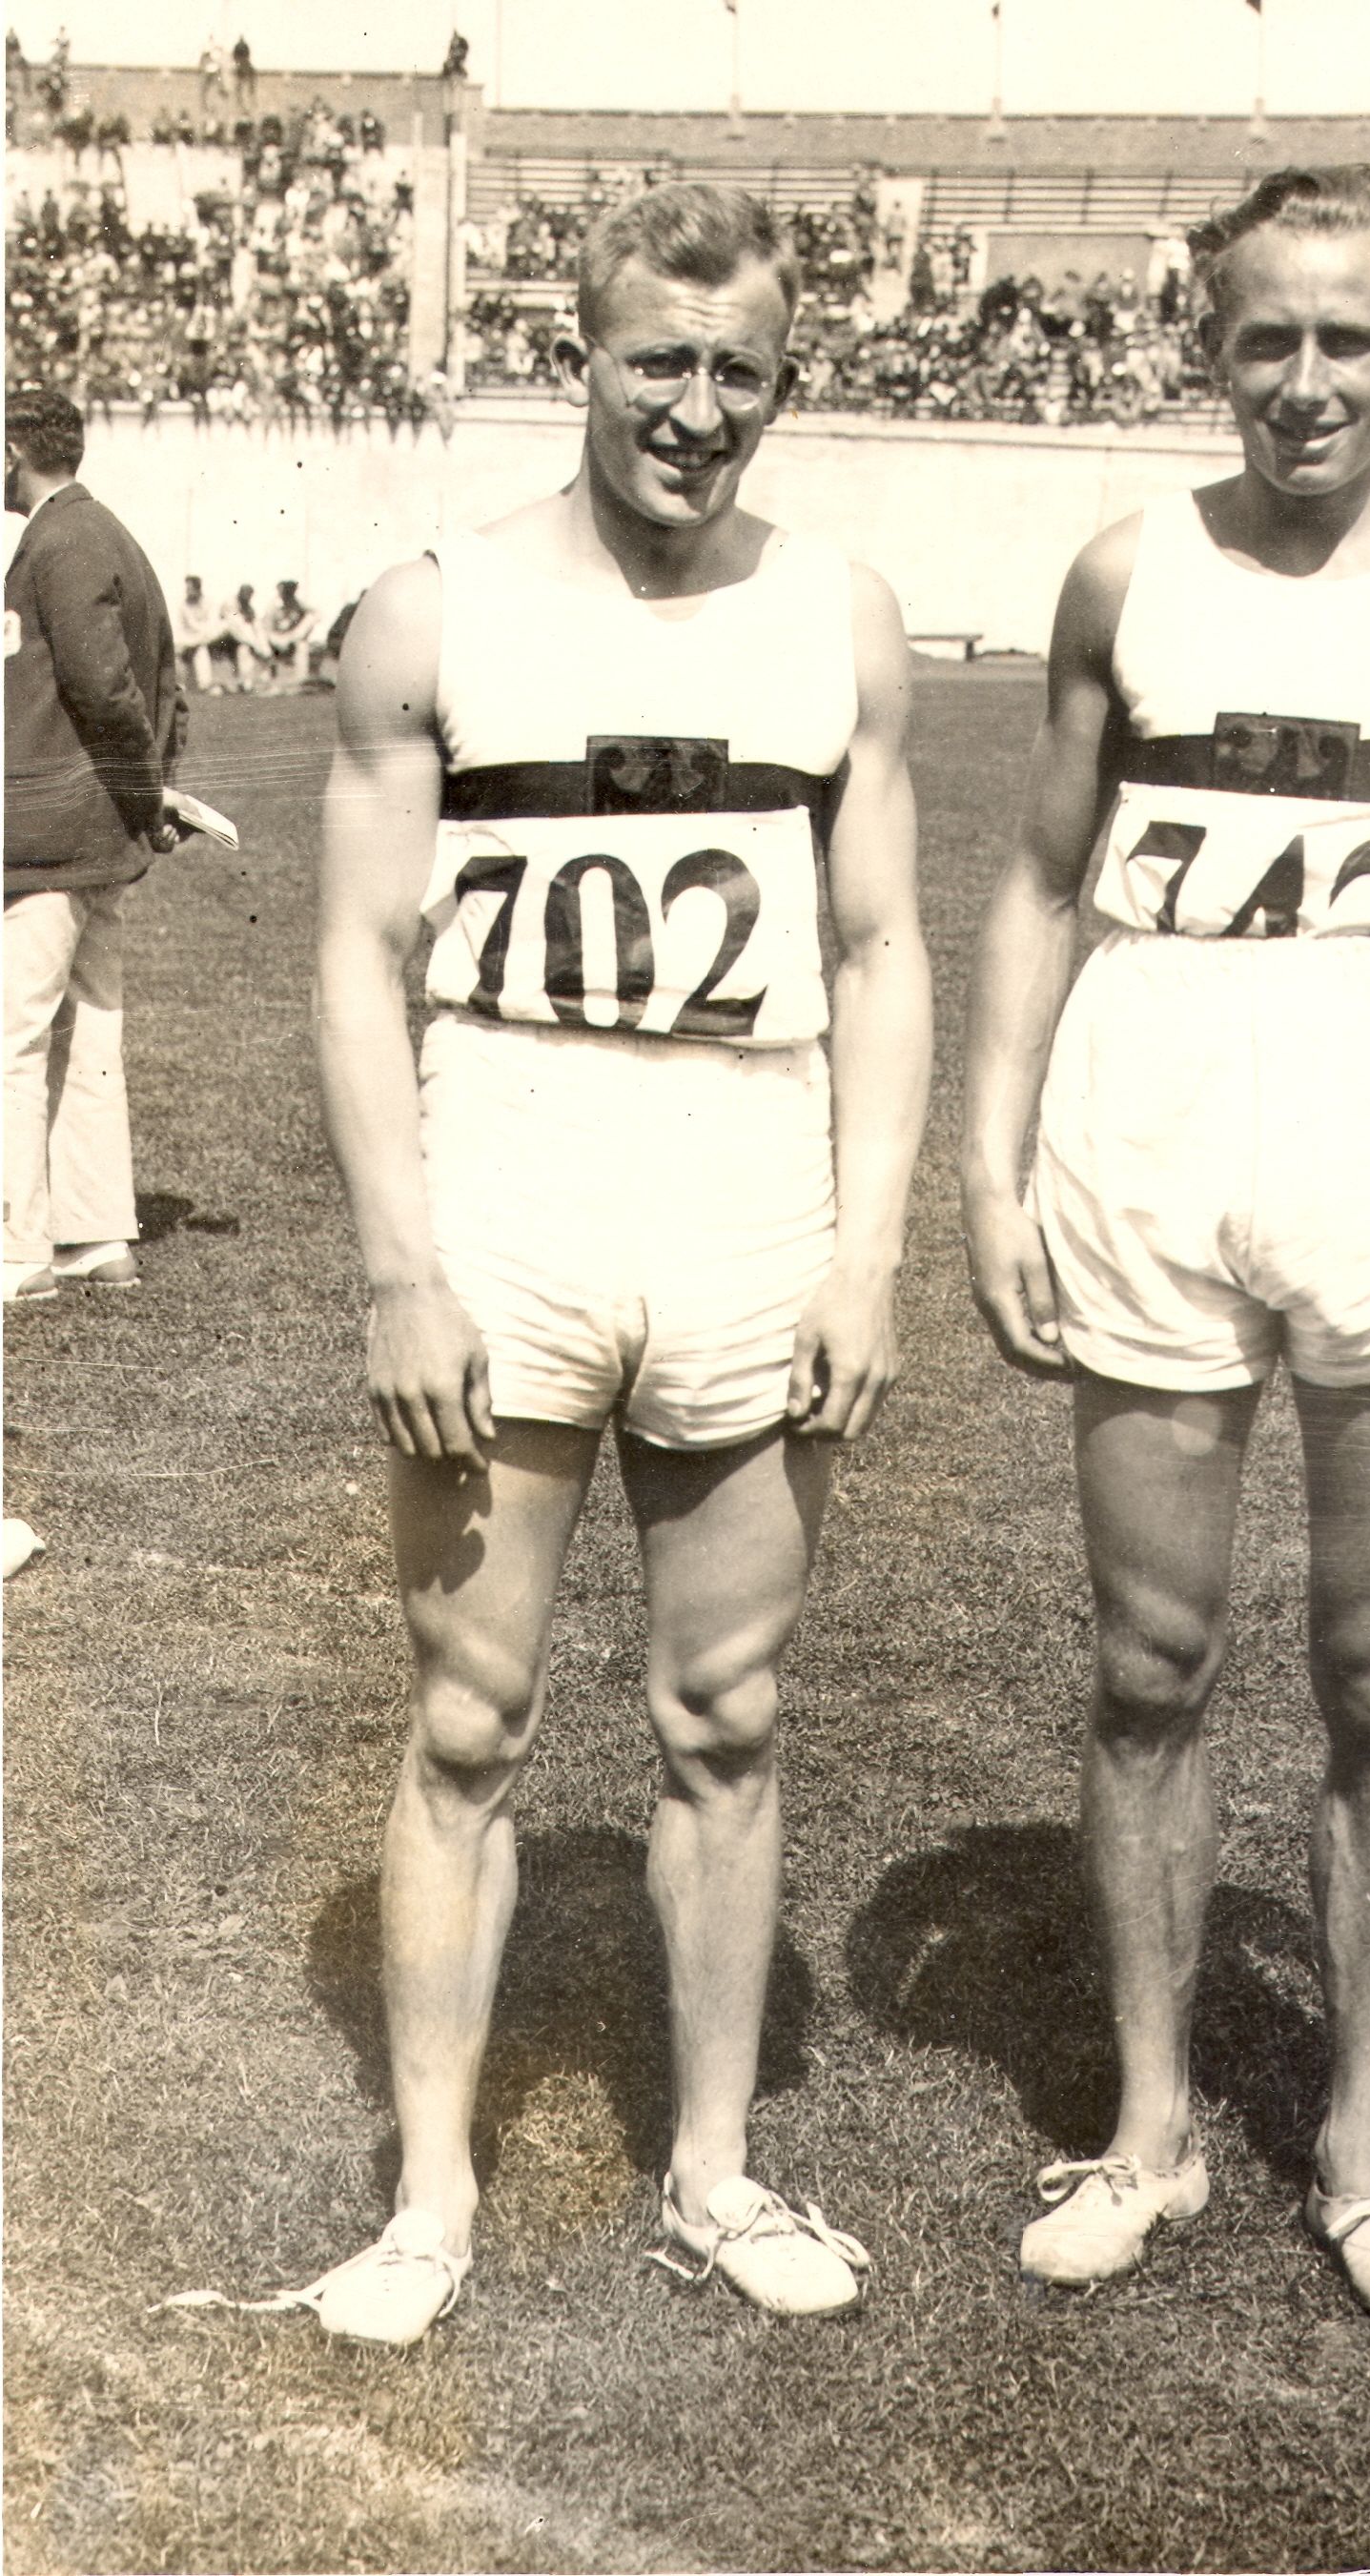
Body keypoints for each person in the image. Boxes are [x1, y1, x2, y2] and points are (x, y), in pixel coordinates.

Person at [961, 165, 1370, 2324]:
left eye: (1348, 335)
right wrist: (984, 1167)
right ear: (1208, 345)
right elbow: (1035, 881)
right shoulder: (1124, 572)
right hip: (1148, 1122)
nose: (1307, 378)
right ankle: (1149, 2128)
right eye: (1266, 336)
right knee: (1144, 1663)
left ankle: (1353, 2150)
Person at [308, 182, 930, 2346]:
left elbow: (879, 948)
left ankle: (713, 2170)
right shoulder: (434, 612)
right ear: (575, 354)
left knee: (725, 1710)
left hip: (743, 1174)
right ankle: (428, 2202)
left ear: (781, 380)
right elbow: (358, 953)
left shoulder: (837, 616)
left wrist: (867, 1247)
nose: (694, 408)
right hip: (513, 1162)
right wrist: (400, 1265)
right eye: (656, 361)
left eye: (737, 371)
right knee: (468, 1713)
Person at [4, 387, 185, 1304]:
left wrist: (147, 794)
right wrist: (149, 797)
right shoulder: (105, 533)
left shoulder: (62, 542)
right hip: (95, 832)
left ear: (13, 452)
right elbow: (162, 689)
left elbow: (105, 691)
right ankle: (95, 1235)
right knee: (88, 1034)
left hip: (50, 838)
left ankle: (17, 1252)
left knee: (14, 1040)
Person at [265, 576, 320, 687]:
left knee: (302, 644)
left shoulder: (299, 605)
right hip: (276, 639)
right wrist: (277, 640)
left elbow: (317, 614)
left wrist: (297, 633)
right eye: (286, 591)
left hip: (293, 638)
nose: (288, 594)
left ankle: (300, 680)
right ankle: (269, 679)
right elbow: (267, 628)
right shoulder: (274, 605)